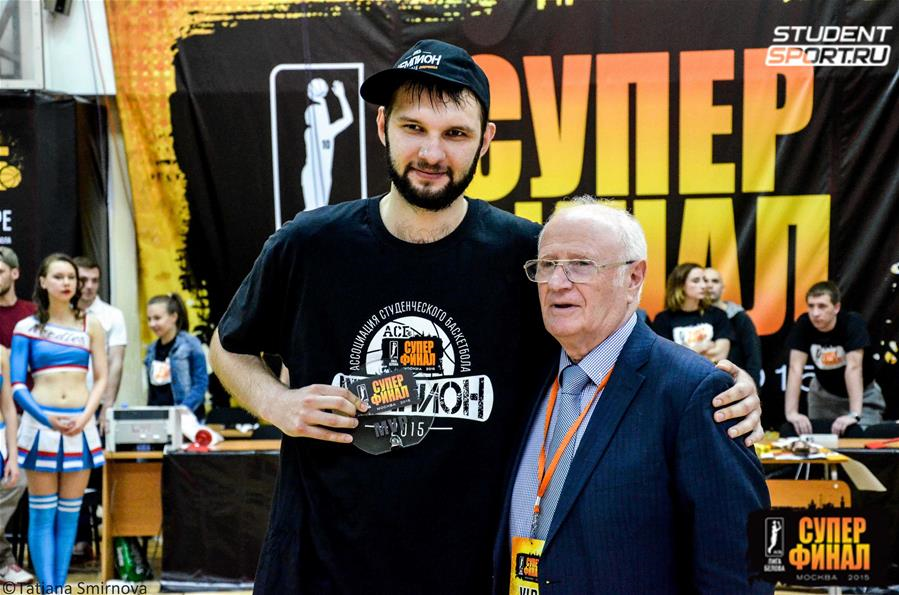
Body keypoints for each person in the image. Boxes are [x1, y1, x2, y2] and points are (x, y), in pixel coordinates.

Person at [209, 39, 763, 594]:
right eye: (413, 127)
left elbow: (613, 344)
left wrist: (711, 392)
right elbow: (229, 346)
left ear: (485, 141)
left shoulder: (525, 255)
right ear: (382, 127)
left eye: (455, 133)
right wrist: (276, 403)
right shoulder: (309, 244)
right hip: (319, 570)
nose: (431, 153)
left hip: (470, 575)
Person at [499, 200, 770, 593]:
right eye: (547, 264)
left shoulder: (693, 391)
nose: (557, 282)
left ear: (633, 277)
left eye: (580, 264)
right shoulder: (524, 379)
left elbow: (740, 571)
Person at [10, 253, 107, 592]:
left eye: (71, 277)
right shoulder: (26, 327)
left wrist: (86, 416)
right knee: (41, 514)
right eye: (59, 276)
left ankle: (59, 587)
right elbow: (17, 385)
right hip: (40, 428)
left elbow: (101, 378)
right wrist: (45, 417)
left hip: (81, 428)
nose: (67, 283)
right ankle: (48, 589)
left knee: (69, 515)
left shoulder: (91, 325)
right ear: (42, 281)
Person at [784, 281, 884, 436]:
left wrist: (854, 414)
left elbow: (854, 368)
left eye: (822, 306)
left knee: (864, 440)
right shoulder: (804, 324)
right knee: (819, 443)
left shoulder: (852, 323)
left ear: (836, 308)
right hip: (823, 396)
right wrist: (791, 413)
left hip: (862, 396)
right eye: (811, 306)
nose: (815, 313)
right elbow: (795, 368)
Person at [0, 247, 35, 585]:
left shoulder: (31, 316)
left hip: (26, 413)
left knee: (17, 479)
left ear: (15, 273)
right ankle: (5, 560)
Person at [74, 256, 128, 433]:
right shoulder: (60, 313)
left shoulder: (113, 315)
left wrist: (108, 406)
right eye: (83, 280)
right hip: (64, 401)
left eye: (95, 280)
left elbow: (116, 362)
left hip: (97, 403)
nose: (89, 286)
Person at [652, 262, 734, 363]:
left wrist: (682, 353)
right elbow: (665, 359)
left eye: (704, 280)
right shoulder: (663, 319)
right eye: (696, 281)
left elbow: (719, 355)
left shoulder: (718, 314)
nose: (704, 285)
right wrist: (701, 346)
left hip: (710, 372)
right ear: (680, 285)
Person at [145, 293, 208, 420]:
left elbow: (200, 384)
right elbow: (152, 392)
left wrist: (182, 410)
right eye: (149, 319)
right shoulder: (151, 350)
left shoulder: (191, 344)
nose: (152, 324)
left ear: (174, 317)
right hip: (159, 419)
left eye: (157, 318)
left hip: (187, 418)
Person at [706, 267, 762, 386]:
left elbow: (753, 357)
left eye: (715, 281)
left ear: (723, 287)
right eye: (705, 281)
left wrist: (752, 388)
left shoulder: (739, 317)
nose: (709, 285)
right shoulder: (691, 319)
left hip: (734, 384)